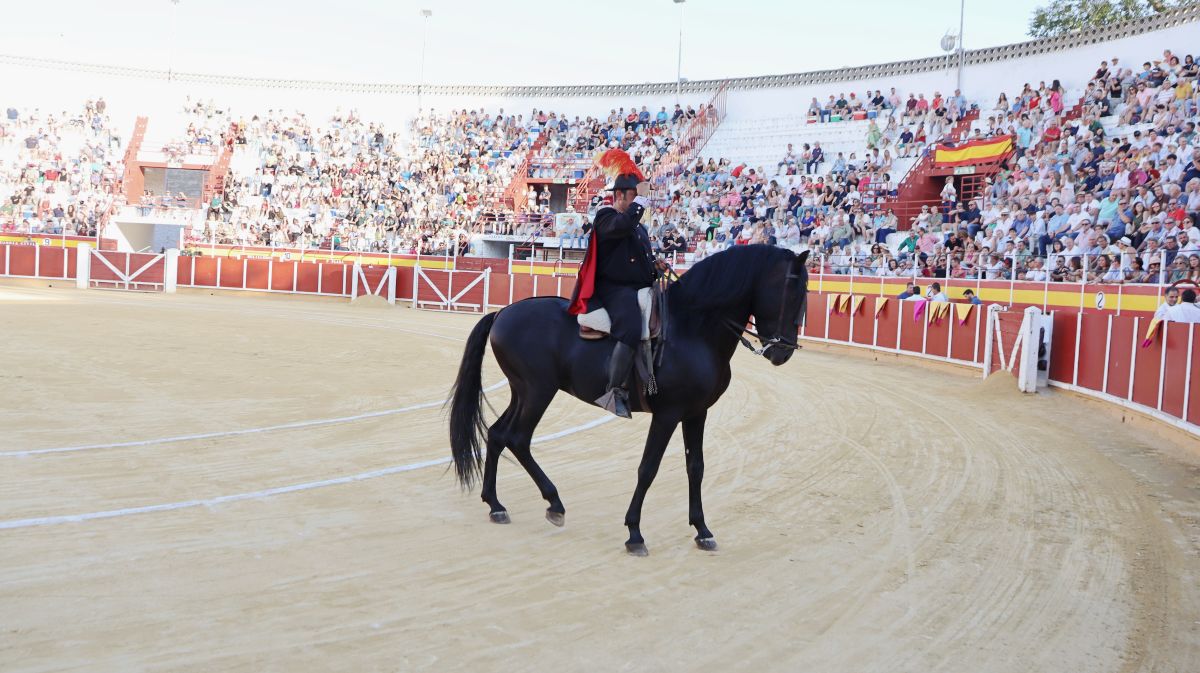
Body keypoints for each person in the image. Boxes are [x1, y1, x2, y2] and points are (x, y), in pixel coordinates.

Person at [567, 158, 661, 419]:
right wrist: (641, 201)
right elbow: (623, 226)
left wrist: (655, 266)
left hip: (639, 286)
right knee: (630, 326)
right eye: (634, 195)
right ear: (619, 195)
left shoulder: (637, 226)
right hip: (613, 289)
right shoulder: (606, 217)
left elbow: (639, 258)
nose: (640, 200)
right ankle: (614, 391)